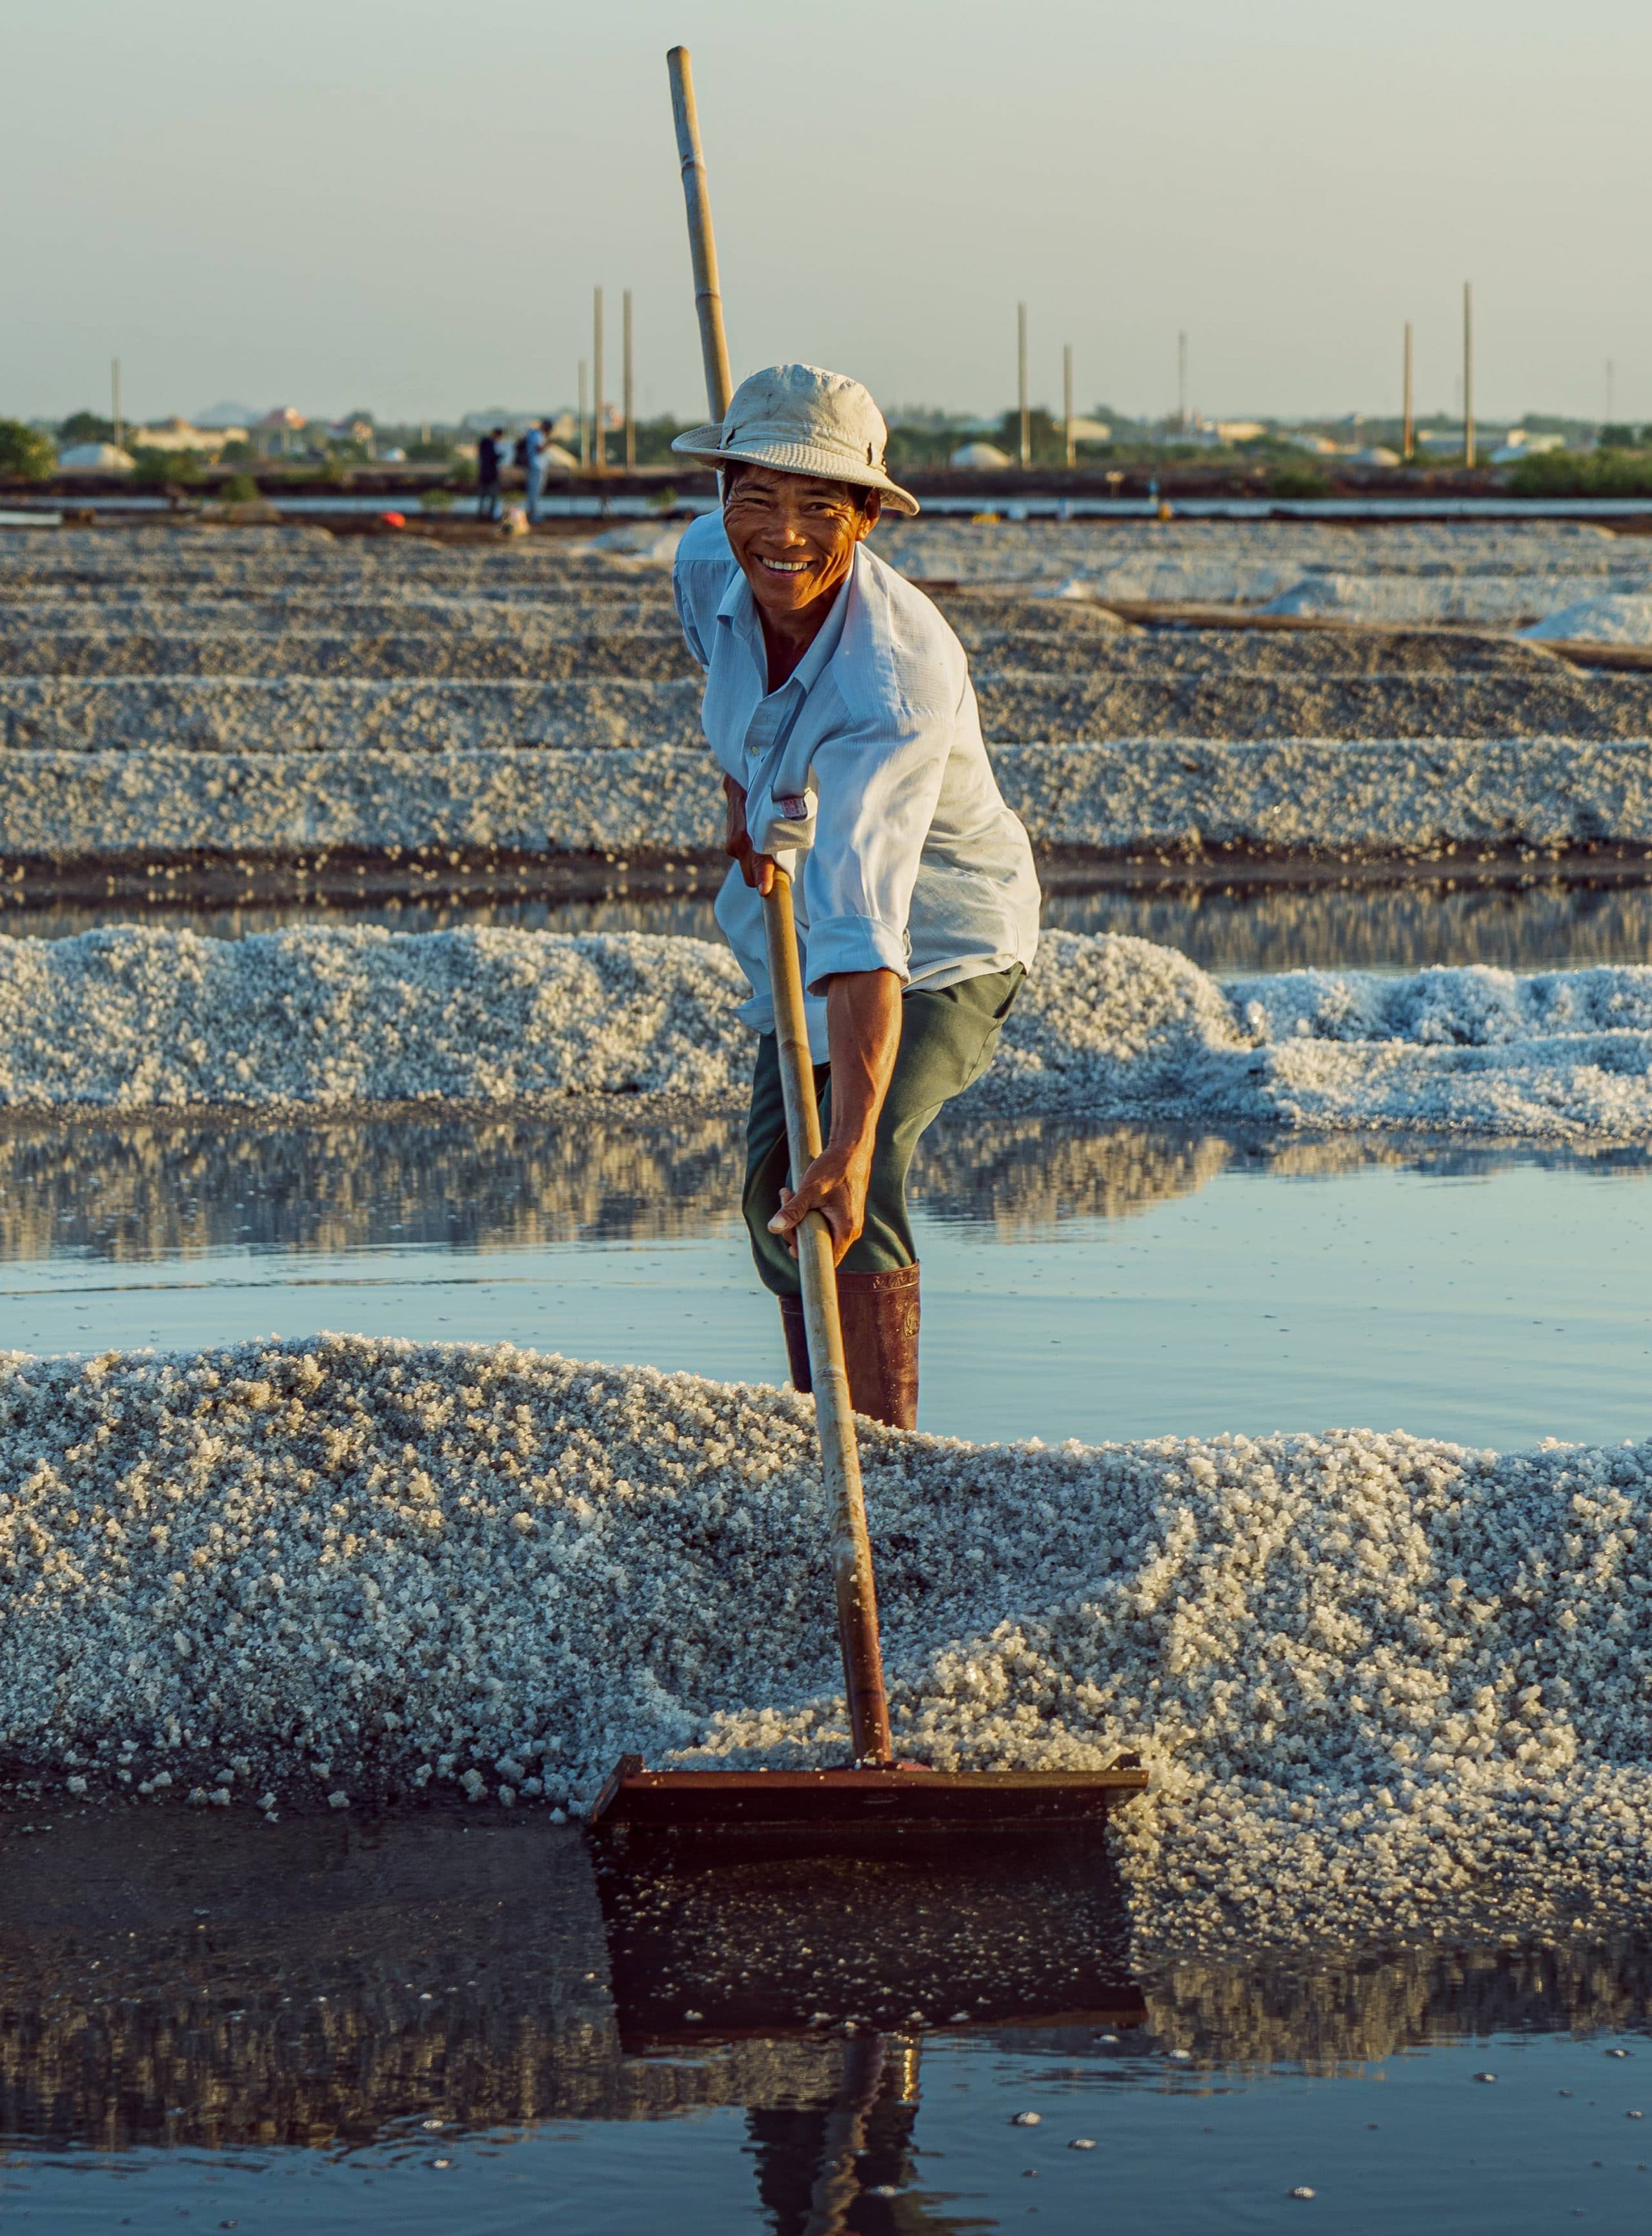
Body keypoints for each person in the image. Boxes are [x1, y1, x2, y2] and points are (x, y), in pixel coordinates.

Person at [671, 363, 1040, 1429]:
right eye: (758, 498)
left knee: (847, 1182)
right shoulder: (705, 562)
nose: (779, 535)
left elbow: (871, 935)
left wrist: (852, 1135)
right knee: (776, 1194)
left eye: (816, 508)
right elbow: (727, 681)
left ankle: (884, 1468)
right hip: (808, 909)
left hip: (938, 936)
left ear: (869, 517)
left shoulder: (891, 680)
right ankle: (819, 1434)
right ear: (722, 493)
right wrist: (744, 792)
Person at [521, 418, 550, 523]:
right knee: (534, 491)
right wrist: (549, 444)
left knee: (536, 492)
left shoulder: (536, 435)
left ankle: (534, 513)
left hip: (538, 467)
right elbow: (539, 449)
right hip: (536, 467)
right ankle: (533, 514)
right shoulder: (537, 435)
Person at [476, 426, 504, 521]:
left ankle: (481, 515)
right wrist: (500, 456)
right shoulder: (490, 443)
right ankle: (489, 516)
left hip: (483, 473)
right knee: (492, 496)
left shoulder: (483, 442)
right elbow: (492, 458)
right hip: (491, 474)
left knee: (483, 497)